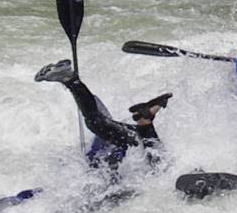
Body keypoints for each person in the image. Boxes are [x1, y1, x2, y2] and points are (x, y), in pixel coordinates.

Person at [35, 58, 170, 175]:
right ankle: (70, 80)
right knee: (96, 122)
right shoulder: (151, 157)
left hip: (136, 141)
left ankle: (70, 80)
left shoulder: (148, 148)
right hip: (135, 142)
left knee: (96, 122)